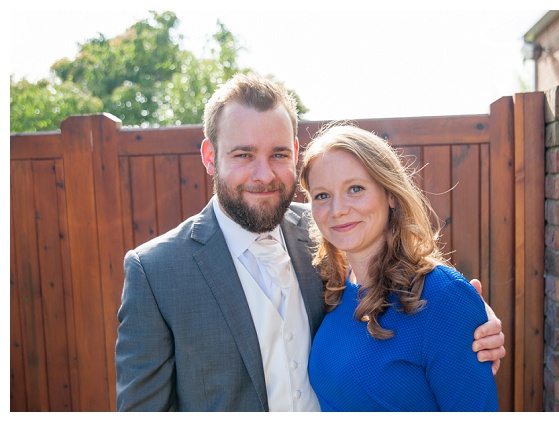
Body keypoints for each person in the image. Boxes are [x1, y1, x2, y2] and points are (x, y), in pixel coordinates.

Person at [115, 73, 505, 412]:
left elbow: (418, 295)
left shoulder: (324, 231)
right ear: (209, 156)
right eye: (243, 154)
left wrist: (472, 316)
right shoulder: (155, 272)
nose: (263, 174)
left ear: (295, 155)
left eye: (278, 154)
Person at [299, 123, 499, 411]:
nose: (337, 209)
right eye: (322, 195)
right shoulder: (335, 286)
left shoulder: (443, 296)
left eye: (355, 188)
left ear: (390, 194)